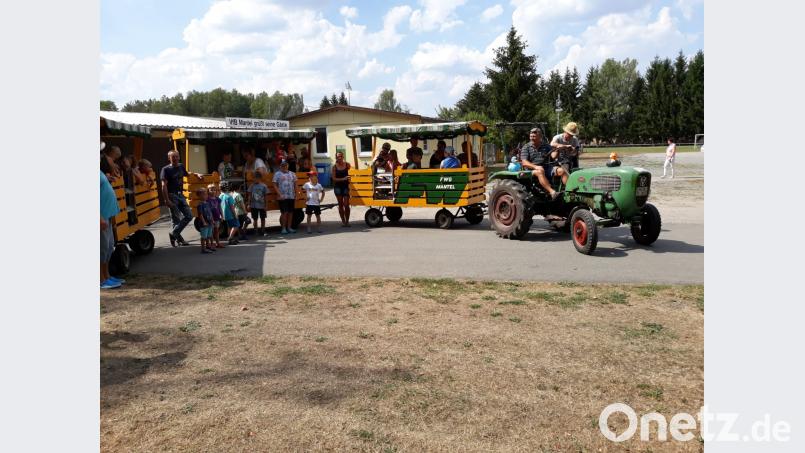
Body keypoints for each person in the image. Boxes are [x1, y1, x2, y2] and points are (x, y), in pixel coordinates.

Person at [160, 150, 203, 246]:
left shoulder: (180, 166)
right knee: (176, 219)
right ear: (169, 158)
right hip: (172, 195)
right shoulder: (165, 169)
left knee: (189, 216)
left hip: (180, 195)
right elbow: (163, 186)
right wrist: (167, 200)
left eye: (176, 156)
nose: (175, 158)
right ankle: (179, 239)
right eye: (173, 157)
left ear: (179, 157)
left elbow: (187, 173)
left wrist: (197, 174)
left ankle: (174, 234)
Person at [520, 128, 561, 200]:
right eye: (531, 136)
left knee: (561, 171)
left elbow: (553, 156)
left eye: (534, 136)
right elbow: (524, 162)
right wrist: (536, 167)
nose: (532, 138)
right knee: (540, 171)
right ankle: (552, 192)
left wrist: (557, 150)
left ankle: (569, 193)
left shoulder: (546, 146)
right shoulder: (526, 147)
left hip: (546, 167)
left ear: (540, 137)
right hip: (531, 170)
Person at [100, 169, 123, 289]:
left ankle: (107, 276)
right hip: (101, 217)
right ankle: (101, 280)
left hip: (107, 216)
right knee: (102, 249)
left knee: (109, 247)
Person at [273, 160, 298, 234]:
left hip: (291, 196)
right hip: (282, 197)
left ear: (288, 166)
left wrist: (296, 194)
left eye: (286, 165)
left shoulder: (292, 174)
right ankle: (283, 228)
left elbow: (295, 184)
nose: (284, 167)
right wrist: (279, 194)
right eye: (283, 165)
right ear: (280, 166)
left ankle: (289, 227)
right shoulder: (277, 174)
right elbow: (274, 184)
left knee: (290, 212)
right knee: (284, 212)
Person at [331, 151, 352, 227]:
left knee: (346, 204)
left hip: (346, 186)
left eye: (341, 156)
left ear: (343, 157)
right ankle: (343, 221)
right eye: (338, 156)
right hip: (337, 187)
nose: (339, 157)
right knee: (340, 205)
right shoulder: (334, 167)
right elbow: (333, 178)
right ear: (336, 157)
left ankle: (347, 221)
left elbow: (352, 173)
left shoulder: (347, 165)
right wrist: (343, 179)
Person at [195, 187, 216, 254]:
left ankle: (208, 246)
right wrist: (204, 222)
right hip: (204, 223)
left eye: (206, 194)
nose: (206, 195)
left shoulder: (207, 203)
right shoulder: (200, 204)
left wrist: (212, 220)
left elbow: (210, 212)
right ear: (199, 196)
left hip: (209, 222)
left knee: (209, 235)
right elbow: (200, 214)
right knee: (204, 237)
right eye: (204, 194)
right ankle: (203, 249)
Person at [207, 184, 225, 249]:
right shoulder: (207, 199)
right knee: (211, 231)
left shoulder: (218, 199)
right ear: (208, 191)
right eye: (211, 190)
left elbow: (220, 208)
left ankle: (218, 243)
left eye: (214, 190)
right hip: (210, 218)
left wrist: (222, 215)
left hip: (217, 217)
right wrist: (211, 218)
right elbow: (208, 210)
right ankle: (211, 244)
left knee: (216, 231)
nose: (213, 191)